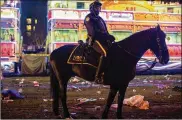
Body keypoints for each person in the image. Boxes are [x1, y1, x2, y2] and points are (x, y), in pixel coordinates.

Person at [84, 0, 115, 83]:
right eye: (96, 7)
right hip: (94, 40)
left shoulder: (100, 18)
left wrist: (109, 37)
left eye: (99, 7)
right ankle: (97, 76)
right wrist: (106, 37)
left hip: (103, 39)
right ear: (92, 8)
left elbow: (105, 30)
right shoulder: (89, 18)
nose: (98, 9)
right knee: (104, 53)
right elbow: (93, 33)